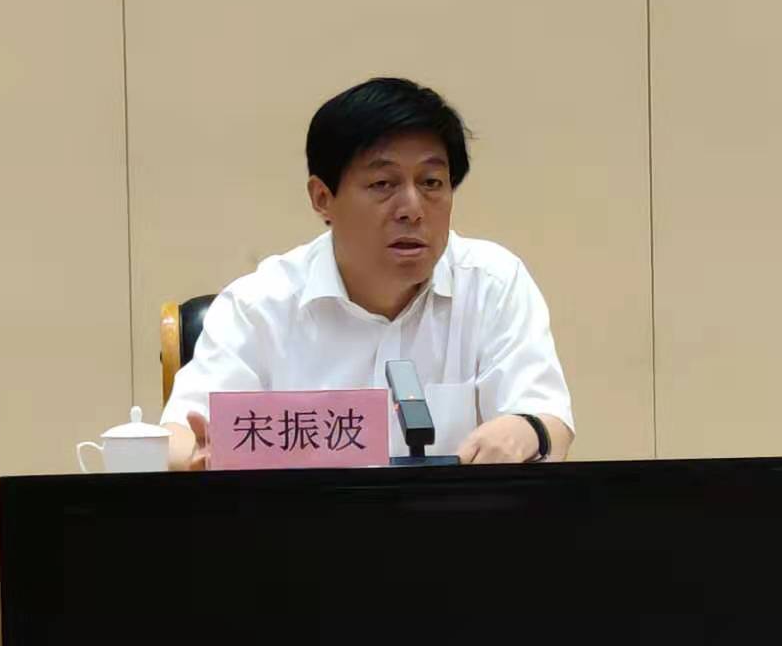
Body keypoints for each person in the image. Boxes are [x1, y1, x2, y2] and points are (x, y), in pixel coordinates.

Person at [162, 77, 574, 470]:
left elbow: (549, 420)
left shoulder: (492, 284)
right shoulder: (260, 306)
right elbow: (178, 438)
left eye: (432, 182)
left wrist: (527, 430)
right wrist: (199, 458)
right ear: (322, 198)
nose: (412, 208)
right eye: (382, 184)